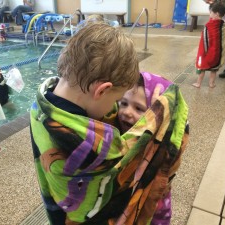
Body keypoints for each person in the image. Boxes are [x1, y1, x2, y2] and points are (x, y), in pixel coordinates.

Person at [30, 22, 189, 225]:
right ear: (102, 91)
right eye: (117, 100)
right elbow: (123, 158)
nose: (115, 109)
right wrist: (162, 114)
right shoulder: (96, 146)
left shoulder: (40, 105)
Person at [117, 72, 186, 225]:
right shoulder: (116, 134)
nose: (127, 112)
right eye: (123, 103)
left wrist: (158, 121)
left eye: (139, 109)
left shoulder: (162, 152)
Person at [192, 1, 225, 88]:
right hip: (217, 53)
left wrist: (203, 53)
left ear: (216, 14)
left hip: (207, 52)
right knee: (214, 69)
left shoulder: (209, 25)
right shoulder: (223, 24)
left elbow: (205, 40)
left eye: (210, 12)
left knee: (202, 68)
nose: (209, 14)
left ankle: (198, 83)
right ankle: (211, 83)